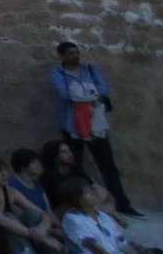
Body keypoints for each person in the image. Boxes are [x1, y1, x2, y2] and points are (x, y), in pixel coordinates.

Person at [50, 41, 138, 216]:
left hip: (95, 124)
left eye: (76, 52)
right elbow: (65, 93)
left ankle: (121, 203)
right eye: (70, 53)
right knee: (74, 165)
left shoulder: (91, 69)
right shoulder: (57, 73)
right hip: (71, 123)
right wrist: (89, 92)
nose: (75, 56)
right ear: (61, 56)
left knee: (107, 165)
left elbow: (103, 88)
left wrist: (81, 93)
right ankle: (80, 203)